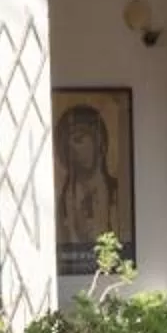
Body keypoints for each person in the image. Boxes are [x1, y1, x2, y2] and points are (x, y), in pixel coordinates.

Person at [55, 101, 121, 276]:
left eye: (78, 139)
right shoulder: (64, 200)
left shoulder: (116, 193)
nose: (72, 148)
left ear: (99, 141)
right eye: (66, 143)